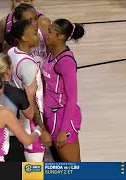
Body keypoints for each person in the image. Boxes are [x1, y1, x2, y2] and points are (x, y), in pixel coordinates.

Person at [6, 20, 52, 162]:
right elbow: (31, 99)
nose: (38, 36)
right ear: (24, 38)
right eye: (34, 33)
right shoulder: (28, 65)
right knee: (35, 171)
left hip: (18, 115)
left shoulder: (11, 51)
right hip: (30, 121)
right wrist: (42, 129)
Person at [42, 18, 85, 162]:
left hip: (62, 119)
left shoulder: (66, 61)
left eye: (50, 32)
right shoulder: (51, 54)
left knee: (74, 168)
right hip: (51, 117)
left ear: (60, 37)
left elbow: (72, 99)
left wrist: (63, 130)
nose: (46, 34)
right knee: (61, 166)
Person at [0, 53, 38, 162]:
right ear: (8, 70)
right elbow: (30, 115)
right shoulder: (16, 93)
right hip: (10, 142)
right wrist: (30, 95)